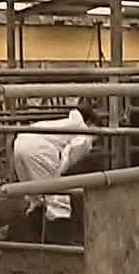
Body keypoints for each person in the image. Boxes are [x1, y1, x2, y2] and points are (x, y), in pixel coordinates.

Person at [10, 101, 100, 243]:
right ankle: (59, 240)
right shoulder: (85, 134)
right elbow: (69, 155)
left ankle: (35, 237)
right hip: (39, 150)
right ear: (90, 123)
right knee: (56, 195)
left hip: (20, 142)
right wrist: (58, 174)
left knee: (34, 194)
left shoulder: (67, 123)